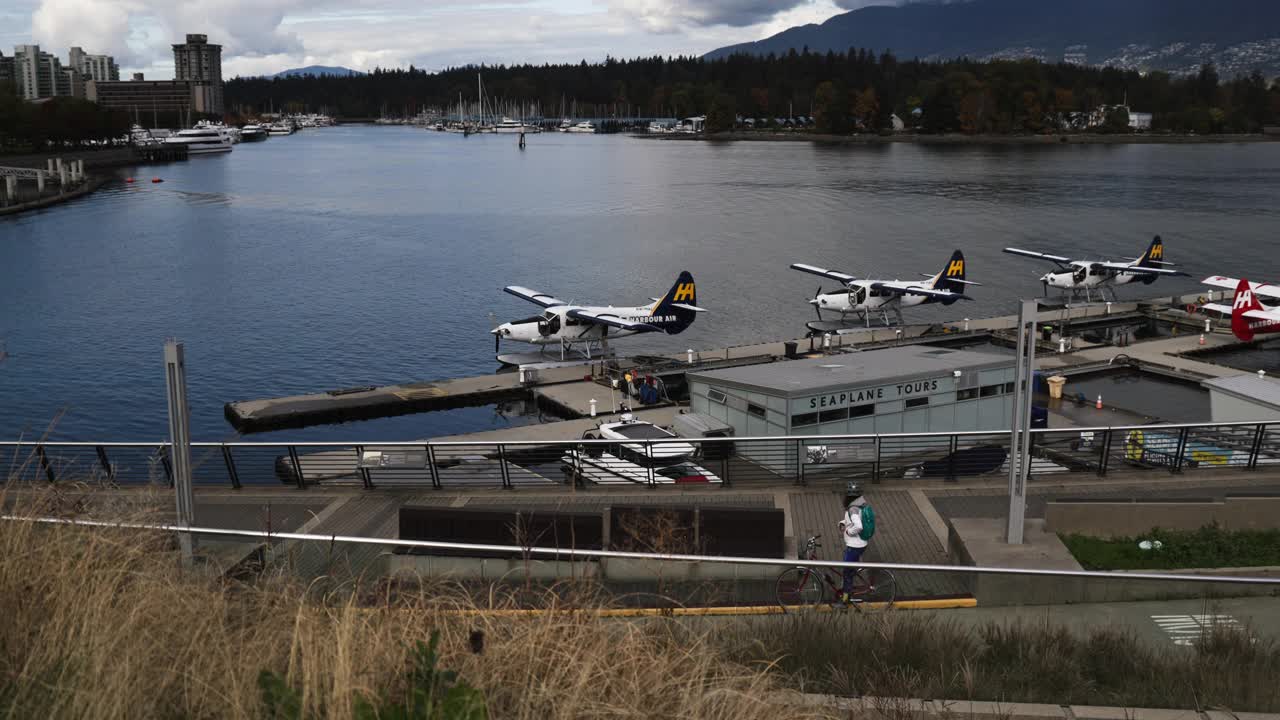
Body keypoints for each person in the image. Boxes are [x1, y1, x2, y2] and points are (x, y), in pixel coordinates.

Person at [838, 482, 872, 603]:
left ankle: (845, 601)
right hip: (860, 544)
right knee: (849, 570)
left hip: (854, 545)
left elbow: (858, 526)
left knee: (847, 573)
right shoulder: (860, 504)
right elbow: (855, 519)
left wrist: (848, 532)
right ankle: (846, 590)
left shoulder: (853, 508)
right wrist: (844, 522)